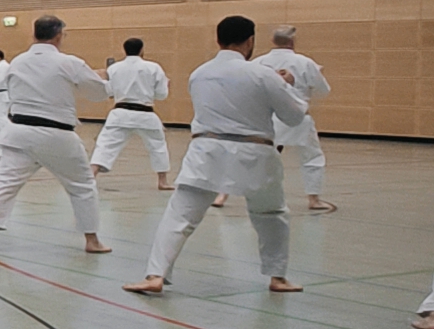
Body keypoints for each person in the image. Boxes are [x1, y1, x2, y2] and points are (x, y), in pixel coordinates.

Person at [124, 16, 309, 296]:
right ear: (250, 41)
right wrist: (288, 85)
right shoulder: (263, 74)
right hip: (254, 152)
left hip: (206, 150)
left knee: (179, 215)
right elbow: (294, 116)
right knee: (271, 215)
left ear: (218, 40)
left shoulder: (199, 74)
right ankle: (277, 277)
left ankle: (155, 275)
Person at [0, 16, 113, 254]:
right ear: (59, 35)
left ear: (34, 35)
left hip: (19, 132)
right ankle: (92, 240)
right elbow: (98, 94)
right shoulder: (69, 62)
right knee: (82, 185)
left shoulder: (17, 62)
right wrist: (102, 78)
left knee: (3, 183)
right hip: (56, 135)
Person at [252, 25, 335, 212]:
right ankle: (314, 199)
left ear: (273, 41)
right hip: (299, 118)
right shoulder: (305, 63)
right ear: (292, 41)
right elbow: (324, 90)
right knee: (311, 157)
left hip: (269, 119)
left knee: (261, 158)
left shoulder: (258, 63)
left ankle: (241, 195)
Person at [90, 37, 172, 190]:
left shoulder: (114, 68)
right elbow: (161, 95)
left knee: (105, 144)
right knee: (158, 146)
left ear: (124, 50)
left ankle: (91, 175)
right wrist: (166, 86)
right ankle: (163, 181)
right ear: (142, 50)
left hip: (120, 114)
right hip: (146, 114)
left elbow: (109, 92)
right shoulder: (153, 67)